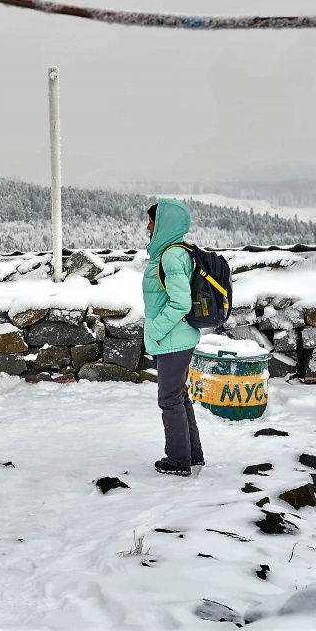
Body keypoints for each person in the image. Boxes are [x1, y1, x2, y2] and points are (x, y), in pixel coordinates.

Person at [143, 199, 203, 477]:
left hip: (172, 340)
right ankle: (192, 455)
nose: (148, 227)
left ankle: (179, 461)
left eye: (152, 222)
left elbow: (181, 303)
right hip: (178, 338)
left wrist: (156, 330)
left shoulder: (170, 255)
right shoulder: (174, 252)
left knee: (169, 400)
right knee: (179, 397)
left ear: (163, 225)